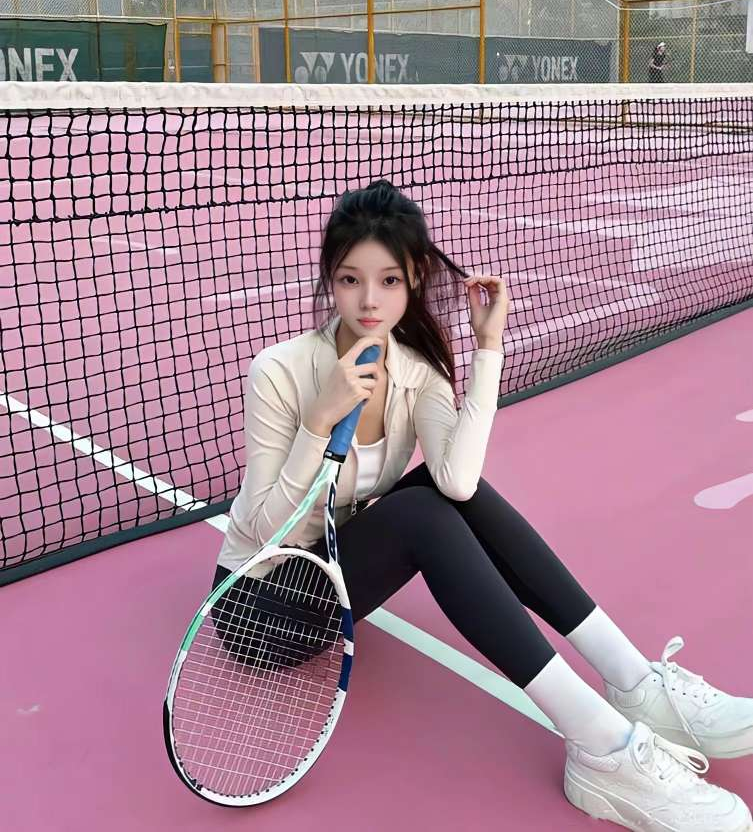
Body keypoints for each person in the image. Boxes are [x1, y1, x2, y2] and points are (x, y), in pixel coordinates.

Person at [214, 179, 753, 831]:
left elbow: (460, 483)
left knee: (444, 497)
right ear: (331, 279)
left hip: (334, 566)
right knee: (417, 516)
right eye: (350, 279)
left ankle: (635, 684)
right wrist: (318, 421)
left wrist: (487, 348)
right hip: (260, 602)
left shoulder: (415, 370)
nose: (368, 300)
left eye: (388, 280)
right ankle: (603, 746)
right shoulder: (279, 370)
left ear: (414, 279)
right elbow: (262, 528)